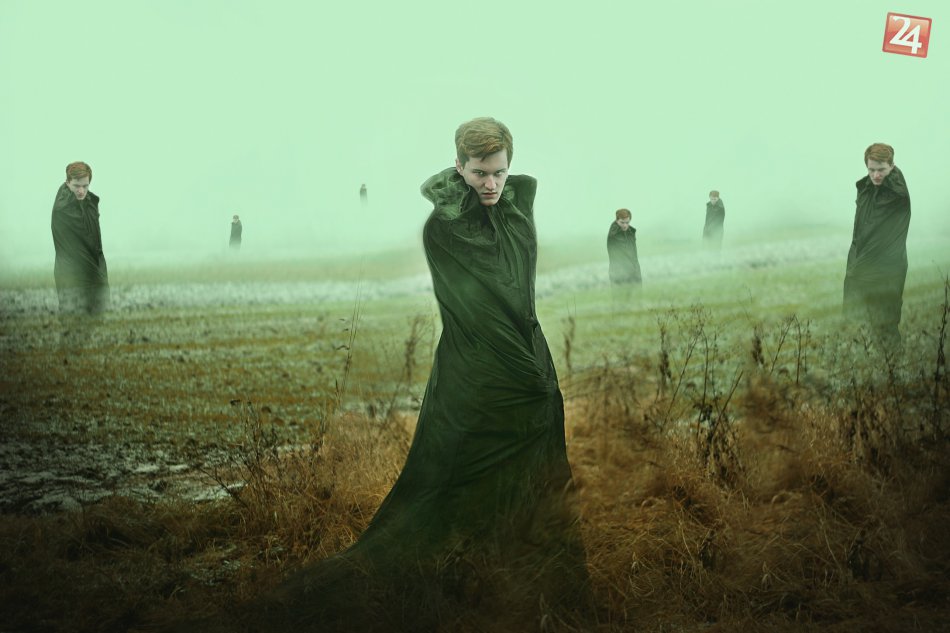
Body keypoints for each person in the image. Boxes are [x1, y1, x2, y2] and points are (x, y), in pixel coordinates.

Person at [231, 118, 590, 632]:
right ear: (459, 167)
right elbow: (480, 313)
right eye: (479, 173)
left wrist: (539, 382)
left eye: (499, 172)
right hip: (475, 374)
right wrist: (528, 380)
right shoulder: (445, 229)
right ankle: (453, 587)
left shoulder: (515, 213)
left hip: (532, 367)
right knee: (452, 485)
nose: (491, 183)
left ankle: (520, 591)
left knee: (534, 487)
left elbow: (521, 299)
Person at [843, 143, 911, 348]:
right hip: (860, 265)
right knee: (855, 327)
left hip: (886, 271)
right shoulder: (867, 189)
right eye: (871, 170)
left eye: (881, 169)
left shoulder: (895, 195)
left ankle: (893, 366)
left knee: (885, 327)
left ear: (892, 166)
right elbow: (859, 234)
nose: (876, 175)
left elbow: (874, 235)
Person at [51, 161, 109, 317]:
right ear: (67, 183)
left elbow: (96, 245)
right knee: (74, 320)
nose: (81, 191)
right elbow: (85, 242)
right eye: (76, 186)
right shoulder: (63, 208)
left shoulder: (89, 204)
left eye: (85, 186)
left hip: (94, 271)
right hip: (71, 275)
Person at [607, 208, 642, 305]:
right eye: (622, 222)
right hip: (619, 273)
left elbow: (633, 255)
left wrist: (636, 270)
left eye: (627, 222)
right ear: (617, 220)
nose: (625, 225)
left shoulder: (629, 232)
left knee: (636, 303)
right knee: (621, 303)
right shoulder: (614, 234)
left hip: (633, 271)